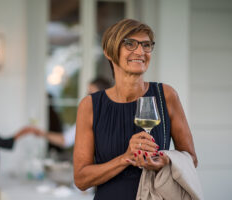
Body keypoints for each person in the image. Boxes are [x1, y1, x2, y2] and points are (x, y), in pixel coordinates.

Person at [73, 19, 198, 200]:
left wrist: (165, 161)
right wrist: (126, 158)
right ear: (109, 52)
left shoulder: (166, 96)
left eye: (146, 45)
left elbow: (191, 159)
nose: (140, 51)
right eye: (130, 44)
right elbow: (81, 179)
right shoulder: (90, 106)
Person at [31, 77, 111, 148]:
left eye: (91, 93)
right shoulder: (87, 117)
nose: (88, 97)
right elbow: (66, 140)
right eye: (87, 94)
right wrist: (42, 133)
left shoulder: (114, 118)